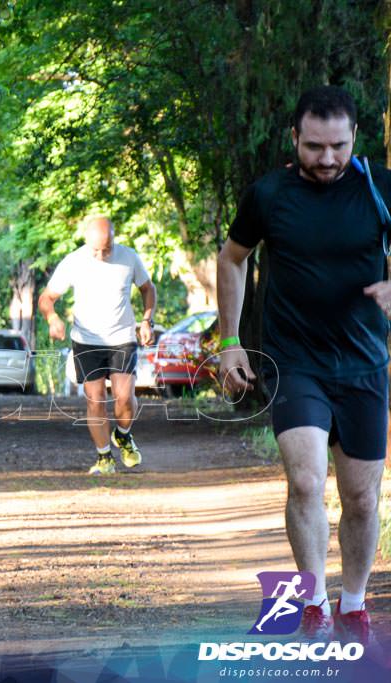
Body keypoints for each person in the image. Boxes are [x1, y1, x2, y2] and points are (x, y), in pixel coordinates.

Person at [217, 85, 389, 644]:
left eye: (338, 146)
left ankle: (354, 603)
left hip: (365, 364)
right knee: (306, 480)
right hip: (296, 363)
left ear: (354, 138)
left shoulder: (381, 188)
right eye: (315, 147)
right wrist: (230, 340)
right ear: (295, 139)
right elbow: (232, 258)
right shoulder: (269, 195)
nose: (328, 159)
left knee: (362, 499)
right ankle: (313, 600)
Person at [38, 215, 156, 475]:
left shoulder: (129, 257)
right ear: (86, 242)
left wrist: (147, 320)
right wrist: (52, 317)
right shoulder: (73, 261)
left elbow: (148, 289)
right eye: (96, 250)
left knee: (125, 397)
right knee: (95, 400)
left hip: (122, 337)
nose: (102, 255)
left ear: (114, 239)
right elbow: (46, 297)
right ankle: (104, 458)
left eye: (107, 249)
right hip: (87, 339)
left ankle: (123, 436)